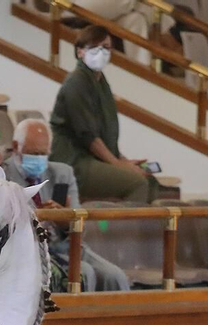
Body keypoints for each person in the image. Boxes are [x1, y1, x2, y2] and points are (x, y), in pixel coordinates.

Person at [1, 118, 130, 292]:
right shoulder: (1, 177)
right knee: (84, 273)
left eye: (43, 154)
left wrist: (65, 221)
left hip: (65, 246)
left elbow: (78, 222)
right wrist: (38, 218)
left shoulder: (63, 173)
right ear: (16, 147)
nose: (39, 159)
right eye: (34, 153)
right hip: (25, 251)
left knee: (115, 276)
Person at [50, 25, 157, 204]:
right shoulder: (76, 82)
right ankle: (123, 231)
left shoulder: (100, 82)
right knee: (137, 183)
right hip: (74, 161)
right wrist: (118, 165)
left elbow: (105, 133)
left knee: (150, 181)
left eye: (106, 48)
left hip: (93, 159)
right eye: (95, 47)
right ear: (80, 52)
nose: (101, 52)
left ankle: (145, 231)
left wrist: (124, 161)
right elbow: (89, 136)